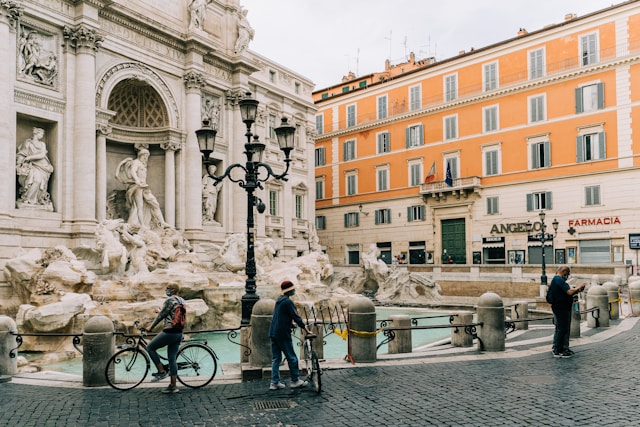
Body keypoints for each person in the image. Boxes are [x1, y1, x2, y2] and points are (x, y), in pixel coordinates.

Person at [269, 281, 312, 390]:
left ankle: (274, 382)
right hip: (283, 333)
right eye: (293, 289)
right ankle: (295, 380)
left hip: (273, 332)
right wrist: (306, 329)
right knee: (292, 357)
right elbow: (296, 316)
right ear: (289, 290)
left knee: (276, 359)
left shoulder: (278, 300)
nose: (294, 290)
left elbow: (281, 316)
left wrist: (290, 323)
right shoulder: (287, 302)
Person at [116, 148, 169, 229]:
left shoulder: (142, 164)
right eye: (145, 156)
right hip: (137, 186)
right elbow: (133, 171)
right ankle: (142, 225)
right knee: (139, 206)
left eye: (147, 156)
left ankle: (162, 222)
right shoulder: (136, 162)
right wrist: (137, 180)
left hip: (144, 186)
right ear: (140, 155)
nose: (146, 158)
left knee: (155, 203)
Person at [145, 284, 184, 393]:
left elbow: (162, 315)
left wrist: (151, 327)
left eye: (167, 288)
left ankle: (161, 372)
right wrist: (161, 311)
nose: (166, 290)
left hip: (170, 331)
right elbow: (173, 314)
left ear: (172, 290)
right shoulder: (181, 300)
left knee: (150, 348)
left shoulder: (170, 300)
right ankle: (173, 386)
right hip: (178, 332)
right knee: (172, 359)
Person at [548, 266, 585, 358]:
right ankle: (558, 350)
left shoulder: (557, 280)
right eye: (567, 273)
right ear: (564, 272)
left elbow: (566, 293)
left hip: (561, 307)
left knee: (562, 328)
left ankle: (563, 348)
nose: (568, 276)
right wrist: (578, 287)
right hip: (561, 308)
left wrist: (577, 291)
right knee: (562, 329)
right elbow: (569, 292)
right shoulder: (558, 280)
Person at [16, 127, 54, 208]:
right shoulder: (27, 143)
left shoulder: (42, 144)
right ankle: (28, 199)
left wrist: (29, 158)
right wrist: (19, 163)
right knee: (36, 180)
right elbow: (22, 153)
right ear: (36, 133)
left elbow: (42, 155)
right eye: (41, 134)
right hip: (32, 165)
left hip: (43, 165)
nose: (42, 135)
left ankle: (36, 200)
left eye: (43, 134)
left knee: (40, 182)